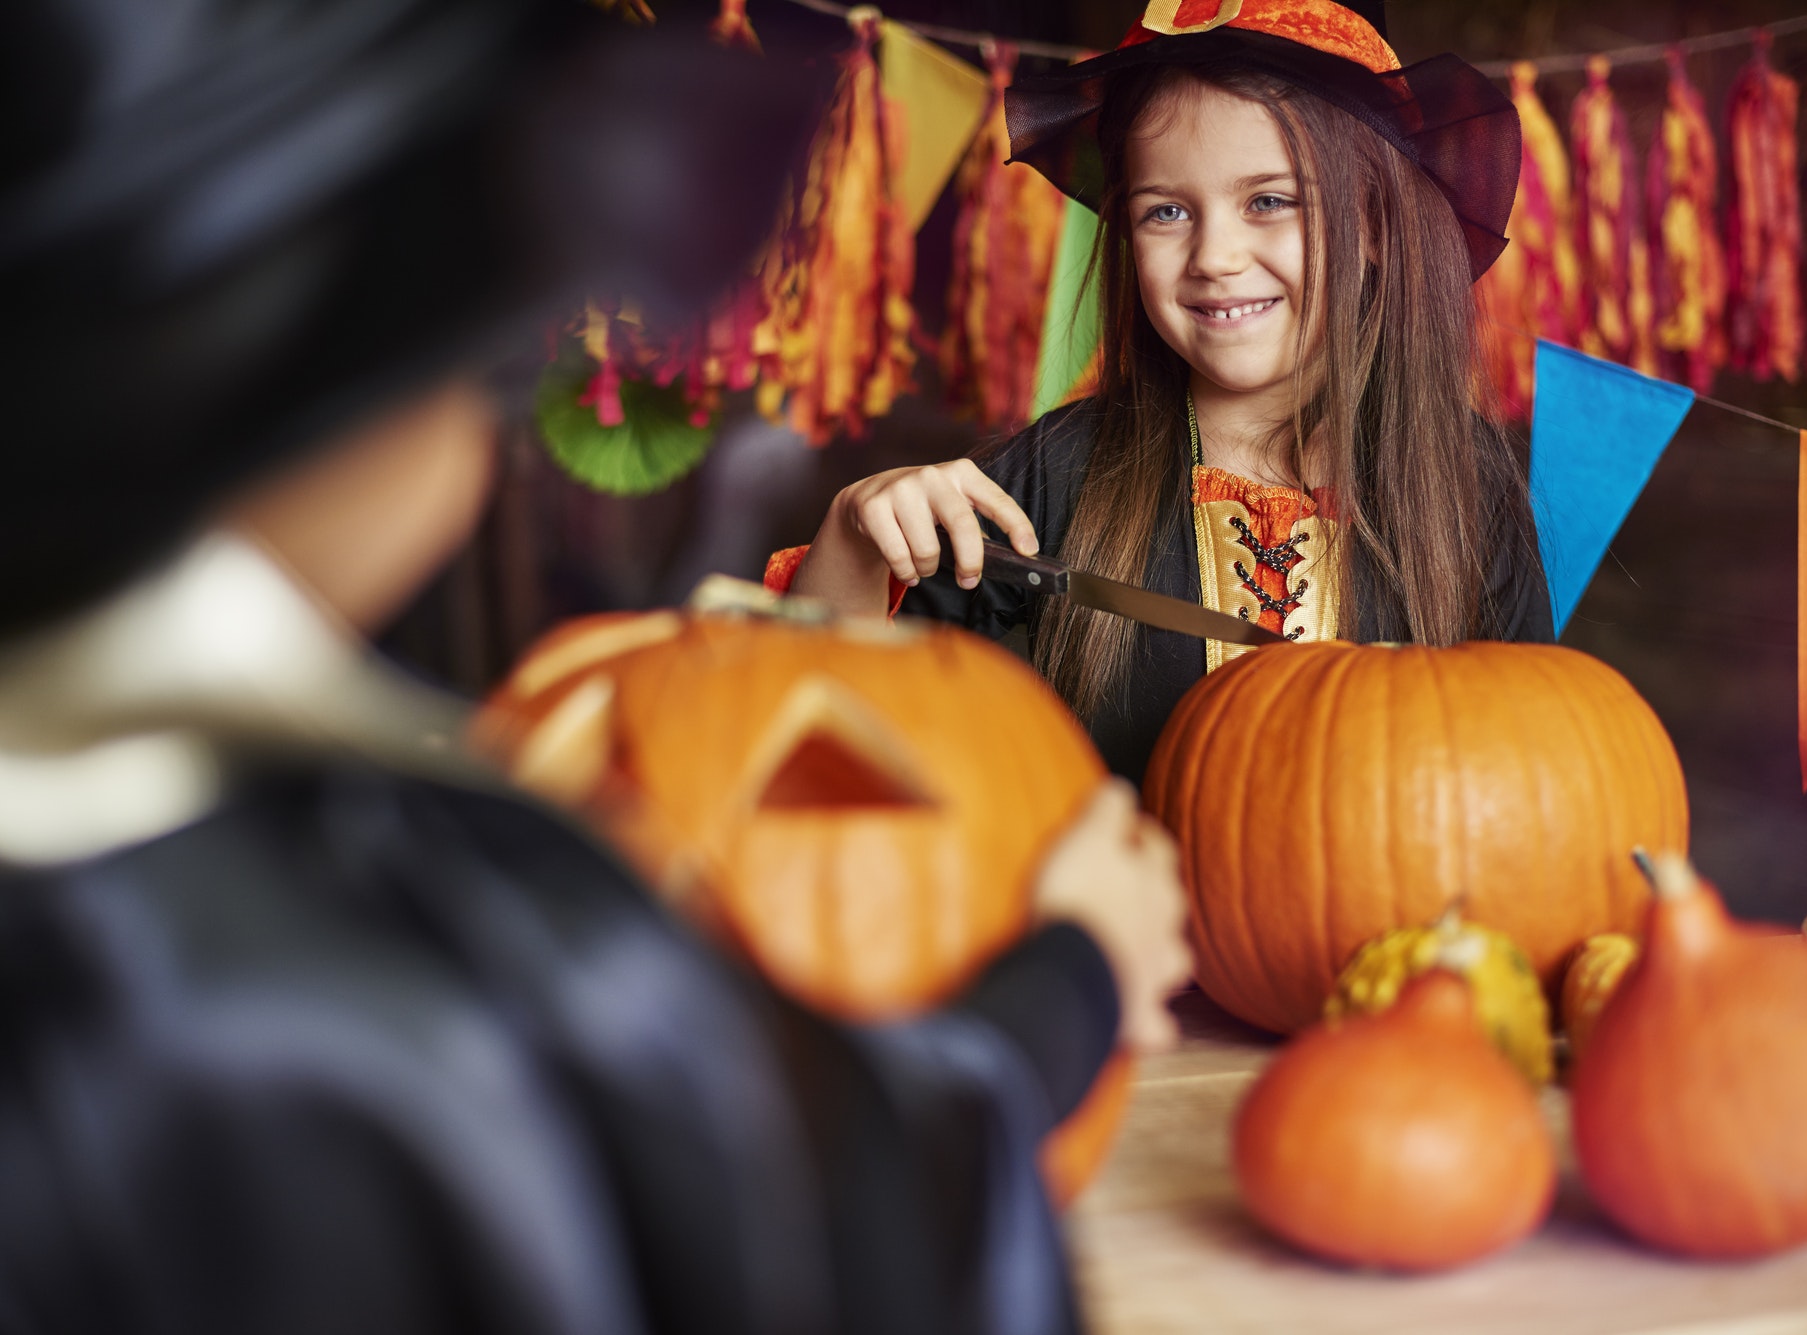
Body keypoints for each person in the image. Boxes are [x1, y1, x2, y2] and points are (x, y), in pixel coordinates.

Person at [0, 3, 1188, 1332]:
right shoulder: (389, 973)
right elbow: (807, 1217)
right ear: (329, 375)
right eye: (483, 355)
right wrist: (1075, 970)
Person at [782, 0, 1553, 784]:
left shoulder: (1471, 490)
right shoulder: (1059, 476)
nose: (1214, 255)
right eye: (1167, 211)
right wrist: (852, 537)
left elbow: (1528, 782)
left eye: (1270, 201)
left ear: (1379, 226)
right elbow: (820, 745)